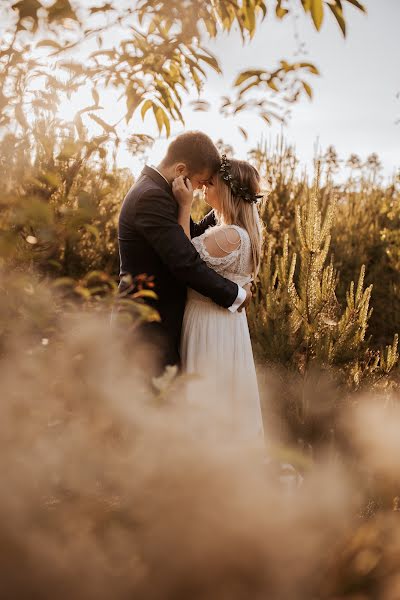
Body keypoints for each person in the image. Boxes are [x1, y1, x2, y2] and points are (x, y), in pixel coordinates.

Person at [116, 132, 252, 377]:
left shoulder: (158, 191)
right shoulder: (151, 197)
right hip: (146, 329)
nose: (201, 189)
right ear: (181, 170)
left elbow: (192, 236)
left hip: (159, 326)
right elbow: (184, 261)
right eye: (201, 182)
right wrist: (236, 295)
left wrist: (229, 199)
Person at [173, 155, 265, 443]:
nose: (203, 189)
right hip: (224, 324)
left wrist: (184, 205)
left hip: (209, 324)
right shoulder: (241, 233)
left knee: (204, 400)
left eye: (210, 183)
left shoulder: (231, 235)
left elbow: (184, 256)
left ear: (226, 190)